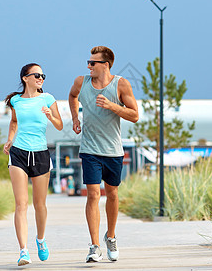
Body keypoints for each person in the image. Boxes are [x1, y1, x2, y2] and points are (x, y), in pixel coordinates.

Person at [68, 46, 139, 263]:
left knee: (113, 194)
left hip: (113, 151)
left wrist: (112, 106)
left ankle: (111, 237)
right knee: (92, 194)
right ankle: (94, 245)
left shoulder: (121, 84)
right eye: (88, 62)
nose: (88, 66)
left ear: (105, 65)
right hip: (89, 149)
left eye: (93, 63)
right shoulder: (82, 82)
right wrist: (75, 118)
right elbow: (72, 96)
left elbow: (135, 114)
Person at [3, 63, 63, 266]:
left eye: (43, 75)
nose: (41, 78)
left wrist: (50, 115)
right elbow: (14, 122)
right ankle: (23, 251)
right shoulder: (15, 100)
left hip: (41, 154)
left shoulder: (48, 99)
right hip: (19, 153)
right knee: (21, 204)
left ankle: (40, 239)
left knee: (40, 205)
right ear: (25, 78)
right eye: (37, 75)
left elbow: (59, 125)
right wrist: (10, 139)